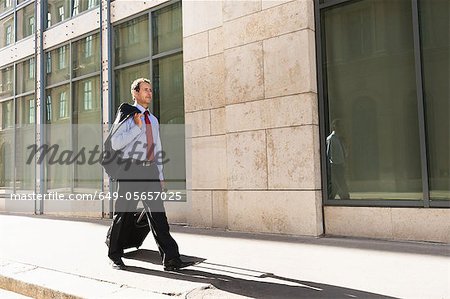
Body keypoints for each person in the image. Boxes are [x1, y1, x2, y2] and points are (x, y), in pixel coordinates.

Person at [107, 78, 194, 271]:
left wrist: (160, 174)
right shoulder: (127, 116)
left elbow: (157, 148)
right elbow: (115, 143)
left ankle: (171, 259)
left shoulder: (153, 120)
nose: (149, 93)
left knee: (158, 216)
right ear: (135, 93)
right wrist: (137, 128)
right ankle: (115, 255)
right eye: (145, 90)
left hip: (150, 170)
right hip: (130, 170)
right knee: (124, 213)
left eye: (150, 90)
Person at [326, 119, 350, 200]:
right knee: (341, 182)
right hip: (335, 165)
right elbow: (328, 154)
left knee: (337, 184)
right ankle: (346, 198)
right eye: (340, 126)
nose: (342, 128)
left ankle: (331, 198)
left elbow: (342, 152)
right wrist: (331, 166)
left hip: (340, 164)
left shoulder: (339, 138)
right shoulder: (331, 139)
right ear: (335, 127)